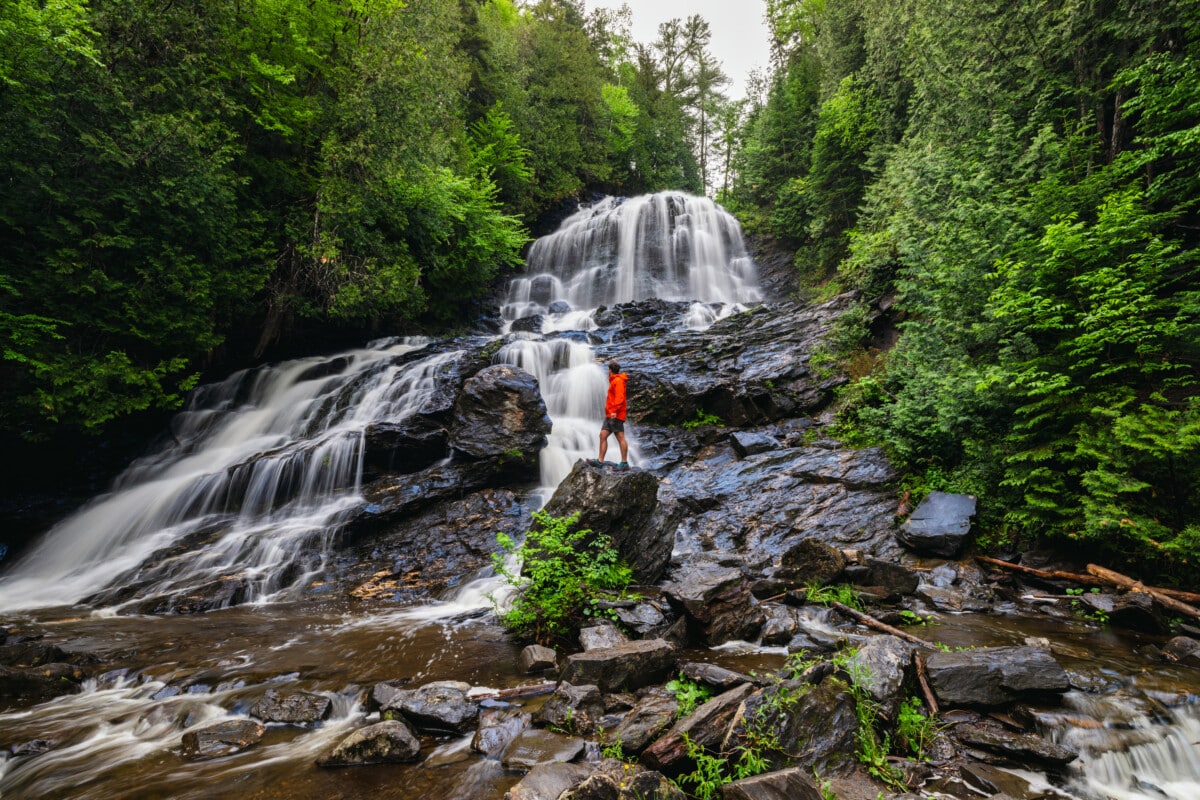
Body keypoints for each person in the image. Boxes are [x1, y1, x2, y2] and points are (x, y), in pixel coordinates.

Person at [592, 360, 629, 469]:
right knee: (603, 435)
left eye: (608, 370)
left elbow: (620, 398)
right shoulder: (614, 381)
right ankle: (600, 461)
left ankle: (624, 462)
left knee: (620, 437)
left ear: (610, 371)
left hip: (615, 415)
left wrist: (614, 411)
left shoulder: (618, 381)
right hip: (609, 415)